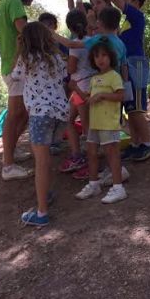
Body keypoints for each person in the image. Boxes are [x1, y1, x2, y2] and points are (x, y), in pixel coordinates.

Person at [84, 0, 150, 162]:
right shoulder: (124, 24)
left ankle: (148, 144)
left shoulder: (137, 16)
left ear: (136, 3)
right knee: (130, 108)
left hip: (136, 65)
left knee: (137, 108)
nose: (122, 2)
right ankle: (136, 144)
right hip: (127, 66)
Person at [12, 22, 69, 227]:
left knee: (41, 161)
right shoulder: (56, 58)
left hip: (39, 114)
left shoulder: (26, 59)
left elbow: (14, 76)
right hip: (61, 114)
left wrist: (18, 50)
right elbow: (64, 77)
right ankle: (45, 192)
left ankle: (41, 212)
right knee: (44, 157)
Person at [0, 0, 37, 181]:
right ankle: (8, 165)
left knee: (24, 113)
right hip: (15, 66)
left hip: (10, 64)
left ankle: (11, 151)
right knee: (15, 114)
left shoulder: (3, 4)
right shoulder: (15, 3)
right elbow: (24, 31)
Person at [75, 38, 128, 204]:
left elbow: (121, 96)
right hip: (95, 123)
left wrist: (102, 95)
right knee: (91, 153)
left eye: (104, 55)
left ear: (111, 57)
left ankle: (118, 188)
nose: (100, 59)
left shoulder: (114, 76)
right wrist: (75, 88)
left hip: (108, 123)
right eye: (97, 56)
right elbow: (88, 99)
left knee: (111, 153)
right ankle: (93, 184)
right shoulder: (94, 79)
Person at [60, 9, 96, 177]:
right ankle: (78, 155)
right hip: (87, 85)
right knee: (70, 119)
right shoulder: (92, 41)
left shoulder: (75, 44)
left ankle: (90, 163)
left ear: (70, 27)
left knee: (86, 127)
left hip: (80, 86)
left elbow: (71, 69)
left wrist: (67, 61)